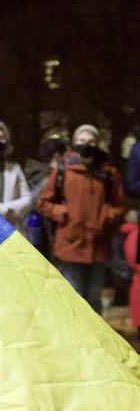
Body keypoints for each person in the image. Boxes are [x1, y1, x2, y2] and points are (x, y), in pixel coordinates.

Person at [38, 124, 127, 313]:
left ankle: (96, 341)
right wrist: (63, 212)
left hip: (98, 245)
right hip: (70, 243)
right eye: (81, 141)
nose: (86, 145)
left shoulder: (108, 173)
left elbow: (121, 205)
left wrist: (108, 215)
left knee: (94, 298)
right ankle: (76, 340)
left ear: (98, 144)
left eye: (91, 141)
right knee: (74, 297)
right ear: (74, 144)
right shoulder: (63, 170)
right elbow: (44, 202)